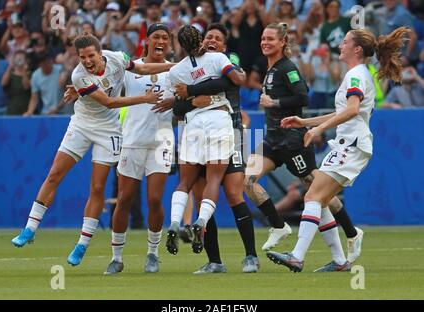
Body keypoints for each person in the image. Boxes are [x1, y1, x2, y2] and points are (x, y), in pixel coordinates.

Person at [11, 32, 174, 268]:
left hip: (109, 130)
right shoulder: (78, 76)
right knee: (55, 174)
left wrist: (177, 65)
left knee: (97, 187)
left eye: (90, 56)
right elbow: (109, 102)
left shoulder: (118, 58)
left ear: (100, 52)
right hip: (82, 124)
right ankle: (30, 228)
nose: (87, 61)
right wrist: (145, 98)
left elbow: (143, 70)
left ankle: (82, 244)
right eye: (82, 57)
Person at [268, 27, 409, 272]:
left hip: (351, 145)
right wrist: (305, 122)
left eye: (344, 42)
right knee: (319, 201)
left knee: (312, 197)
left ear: (356, 49)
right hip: (352, 144)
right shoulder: (360, 73)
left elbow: (352, 110)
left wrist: (319, 129)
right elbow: (343, 111)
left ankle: (297, 256)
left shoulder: (356, 75)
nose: (340, 46)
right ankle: (340, 261)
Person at [244, 22, 363, 263]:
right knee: (248, 180)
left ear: (282, 43)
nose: (265, 42)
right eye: (263, 38)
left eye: (270, 39)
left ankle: (351, 232)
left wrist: (274, 103)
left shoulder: (288, 68)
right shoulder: (270, 69)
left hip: (293, 141)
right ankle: (279, 226)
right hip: (273, 140)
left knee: (318, 193)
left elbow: (302, 96)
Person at [168, 23, 259, 273]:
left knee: (233, 194)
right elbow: (177, 109)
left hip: (232, 130)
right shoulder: (207, 64)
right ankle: (215, 261)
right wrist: (193, 101)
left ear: (224, 45)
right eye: (209, 36)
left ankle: (251, 256)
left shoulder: (225, 61)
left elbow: (233, 84)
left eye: (217, 38)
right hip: (207, 128)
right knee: (201, 196)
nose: (212, 40)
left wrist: (192, 91)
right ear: (201, 40)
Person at [104, 23, 175, 275]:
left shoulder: (175, 72)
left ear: (169, 43)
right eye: (156, 37)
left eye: (165, 38)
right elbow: (107, 90)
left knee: (155, 199)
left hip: (161, 142)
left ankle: (153, 255)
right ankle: (116, 257)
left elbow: (187, 99)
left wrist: (175, 102)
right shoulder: (129, 69)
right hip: (132, 140)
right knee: (124, 199)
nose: (160, 41)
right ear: (147, 41)